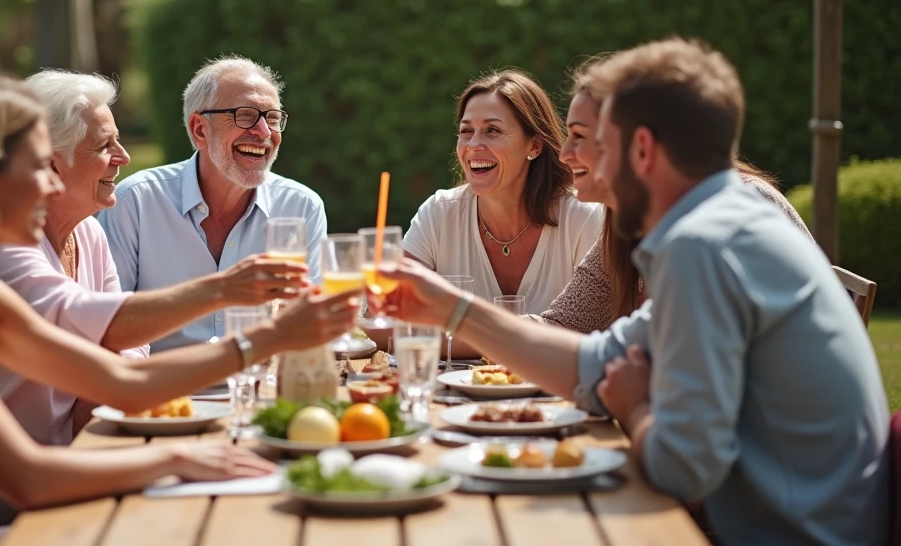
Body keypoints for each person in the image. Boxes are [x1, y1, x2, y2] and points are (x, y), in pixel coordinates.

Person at [0, 74, 360, 546]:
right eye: (37, 166)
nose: (51, 187)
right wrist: (178, 458)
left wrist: (268, 339)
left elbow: (122, 379)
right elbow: (27, 477)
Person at [381, 38, 889, 546]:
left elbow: (683, 469)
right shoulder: (714, 219)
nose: (565, 153)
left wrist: (634, 407)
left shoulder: (706, 243)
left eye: (586, 138)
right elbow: (592, 358)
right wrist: (449, 308)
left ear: (641, 149)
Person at [0, 69, 313, 536]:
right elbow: (108, 335)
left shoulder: (87, 232)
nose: (124, 157)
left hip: (53, 467)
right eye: (102, 147)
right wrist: (233, 296)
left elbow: (118, 368)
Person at [534, 58, 813, 333]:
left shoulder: (727, 216)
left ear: (639, 143)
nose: (563, 154)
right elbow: (568, 326)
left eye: (580, 136)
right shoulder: (637, 222)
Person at [100, 56, 326, 352]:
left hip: (262, 390)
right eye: (245, 115)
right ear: (199, 130)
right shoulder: (135, 202)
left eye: (272, 118)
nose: (264, 132)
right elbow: (109, 327)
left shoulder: (301, 207)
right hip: (160, 389)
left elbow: (308, 324)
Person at [403, 69, 603, 315]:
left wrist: (456, 330)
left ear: (535, 146)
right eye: (466, 131)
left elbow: (595, 332)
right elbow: (382, 319)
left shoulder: (583, 219)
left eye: (492, 131)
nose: (474, 145)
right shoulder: (437, 215)